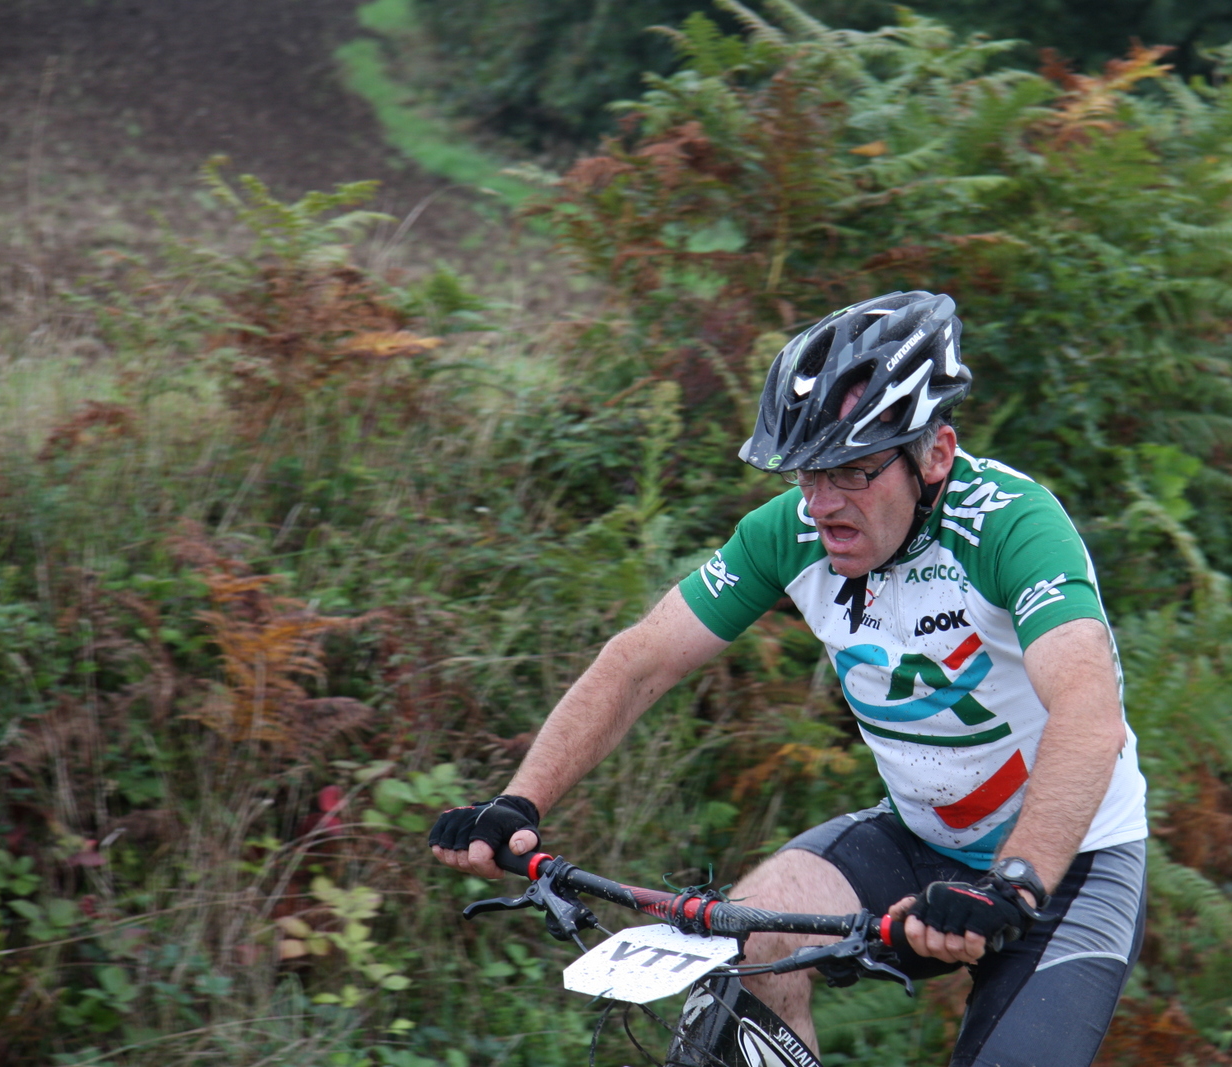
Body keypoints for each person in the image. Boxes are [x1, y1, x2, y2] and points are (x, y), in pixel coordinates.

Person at [430, 291, 1148, 1066]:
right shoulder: (791, 532)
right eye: (808, 472)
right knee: (744, 950)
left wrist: (1016, 879)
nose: (822, 504)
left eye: (853, 472)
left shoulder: (1015, 527)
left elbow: (1088, 715)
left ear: (936, 454)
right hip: (920, 840)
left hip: (1068, 863)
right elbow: (639, 662)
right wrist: (519, 802)